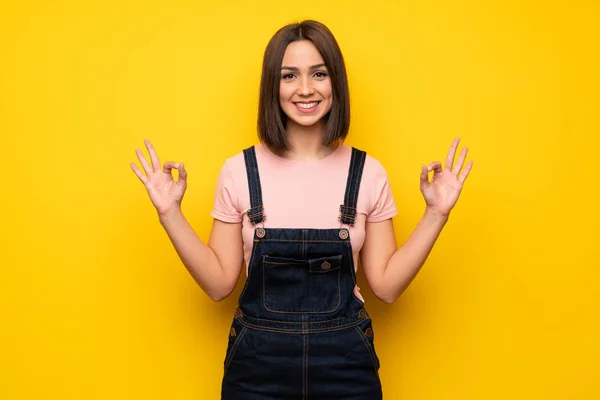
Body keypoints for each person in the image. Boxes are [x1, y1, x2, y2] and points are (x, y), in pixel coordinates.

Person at [130, 19, 472, 400]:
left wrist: (436, 213)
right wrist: (169, 213)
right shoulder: (240, 171)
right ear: (271, 87)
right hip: (256, 371)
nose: (305, 89)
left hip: (345, 369)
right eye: (289, 75)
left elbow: (387, 287)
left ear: (335, 82)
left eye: (319, 74)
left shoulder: (368, 173)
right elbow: (218, 284)